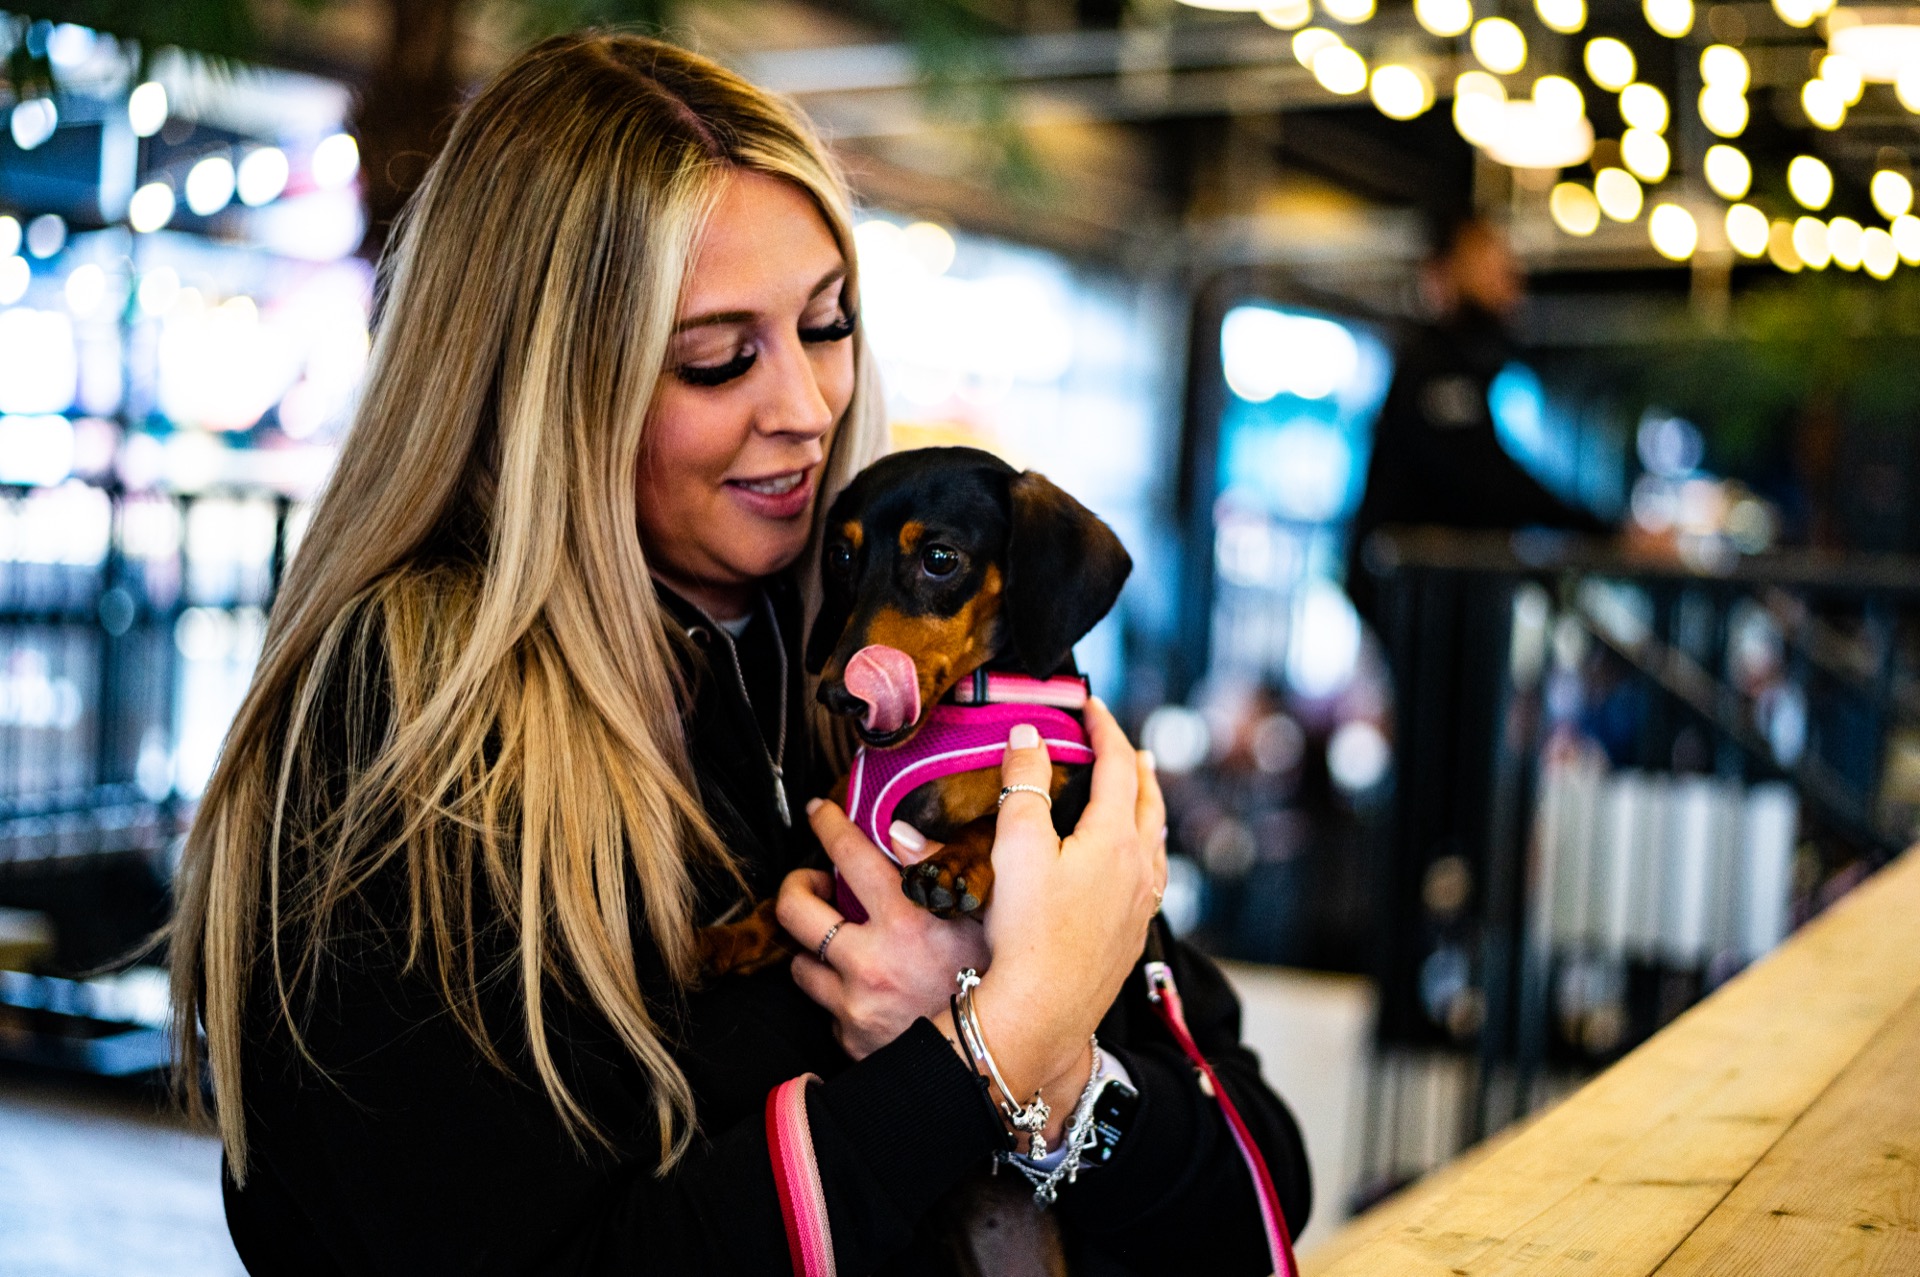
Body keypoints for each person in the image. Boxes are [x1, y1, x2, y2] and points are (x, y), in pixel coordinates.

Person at [167, 32, 1310, 1277]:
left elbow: (1262, 1181)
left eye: (826, 327)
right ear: (546, 380)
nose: (810, 410)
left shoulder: (903, 687)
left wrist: (1068, 1084)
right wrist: (987, 1048)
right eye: (719, 357)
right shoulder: (405, 719)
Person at [1345, 214, 1611, 621]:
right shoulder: (1433, 367)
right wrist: (1604, 530)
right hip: (1416, 603)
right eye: (1490, 262)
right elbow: (1484, 479)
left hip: (1426, 600)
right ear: (1447, 273)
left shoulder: (1458, 363)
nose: (1510, 279)